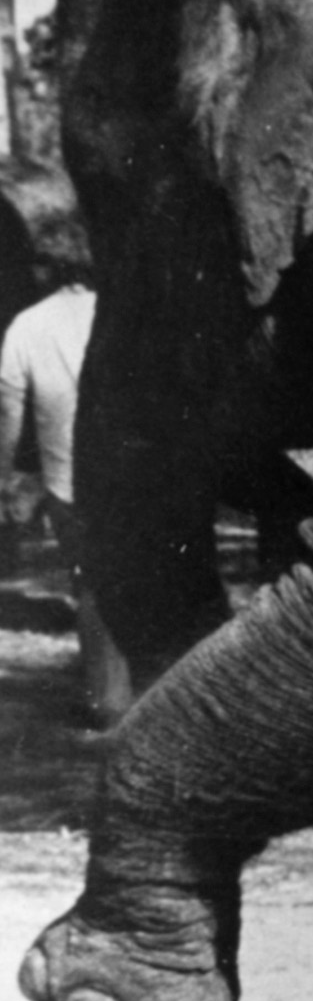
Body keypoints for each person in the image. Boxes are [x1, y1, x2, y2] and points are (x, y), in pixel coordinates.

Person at [0, 275, 120, 724]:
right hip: (131, 466)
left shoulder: (28, 324)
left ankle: (110, 702)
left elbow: (8, 409)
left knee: (89, 584)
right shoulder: (122, 308)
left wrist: (4, 477)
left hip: (66, 476)